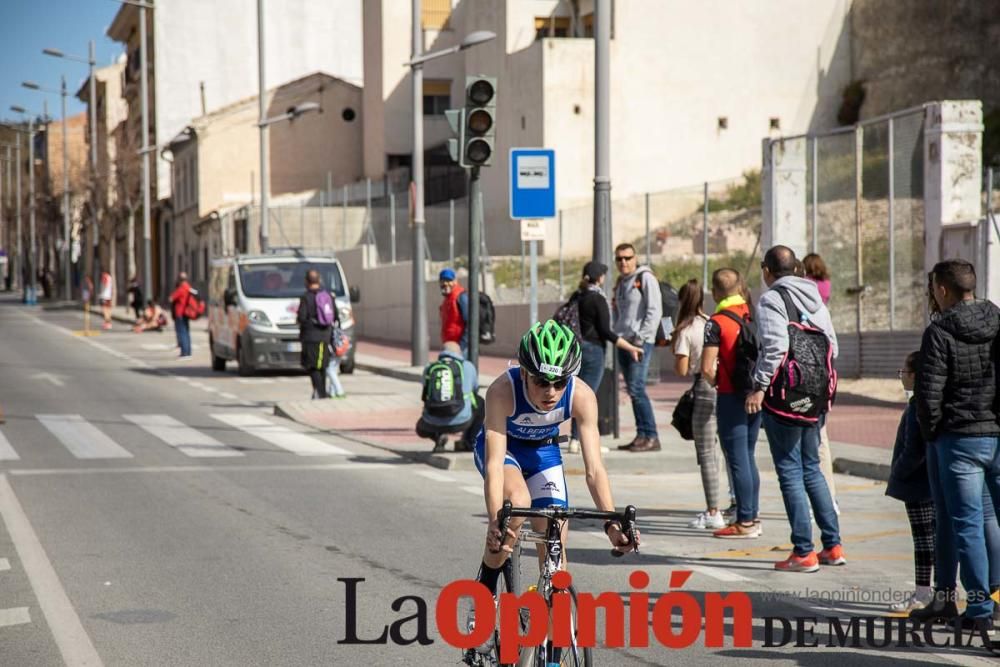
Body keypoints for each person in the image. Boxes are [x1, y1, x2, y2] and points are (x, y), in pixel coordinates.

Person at [472, 320, 637, 605]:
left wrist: (611, 523)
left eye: (559, 383)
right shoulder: (502, 391)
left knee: (555, 541)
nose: (551, 392)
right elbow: (495, 465)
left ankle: (552, 630)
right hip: (504, 449)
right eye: (541, 382)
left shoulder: (582, 396)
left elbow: (594, 469)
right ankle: (486, 585)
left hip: (543, 452)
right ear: (524, 373)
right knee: (517, 504)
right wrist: (494, 520)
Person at [914, 259, 1000, 630]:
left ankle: (978, 609)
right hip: (995, 434)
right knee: (991, 521)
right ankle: (993, 598)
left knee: (962, 526)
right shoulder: (998, 321)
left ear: (943, 290)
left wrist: (932, 432)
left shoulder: (939, 331)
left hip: (957, 439)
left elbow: (928, 393)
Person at [747, 245, 843, 571]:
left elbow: (775, 346)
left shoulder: (772, 299)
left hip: (785, 397)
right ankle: (832, 544)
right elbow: (833, 347)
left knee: (789, 470)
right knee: (811, 466)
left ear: (766, 271)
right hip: (817, 395)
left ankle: (803, 551)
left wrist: (759, 386)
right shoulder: (816, 298)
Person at [702, 268, 762, 539]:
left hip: (730, 397)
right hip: (754, 394)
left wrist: (717, 382)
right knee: (748, 457)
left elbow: (706, 368)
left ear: (714, 292)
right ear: (739, 286)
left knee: (737, 460)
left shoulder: (716, 322)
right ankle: (753, 515)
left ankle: (746, 521)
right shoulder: (752, 313)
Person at [569, 261, 643, 448]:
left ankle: (574, 439)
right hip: (594, 350)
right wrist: (630, 347)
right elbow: (606, 332)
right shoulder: (597, 299)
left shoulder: (577, 296)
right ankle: (587, 442)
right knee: (588, 397)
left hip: (576, 349)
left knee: (575, 394)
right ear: (600, 277)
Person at [672, 279, 725, 530]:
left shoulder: (686, 329)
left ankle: (713, 510)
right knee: (719, 450)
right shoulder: (711, 322)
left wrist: (675, 347)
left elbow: (682, 370)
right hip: (722, 386)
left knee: (705, 453)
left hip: (703, 387)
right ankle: (733, 505)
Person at [885, 351, 936, 613]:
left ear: (915, 375)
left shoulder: (917, 406)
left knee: (924, 541)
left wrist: (897, 473)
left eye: (904, 372)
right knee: (934, 540)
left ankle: (923, 593)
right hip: (928, 483)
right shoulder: (925, 403)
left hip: (918, 485)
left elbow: (913, 451)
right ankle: (935, 591)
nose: (901, 376)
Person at [612, 243, 663, 452]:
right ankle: (641, 435)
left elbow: (654, 310)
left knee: (637, 388)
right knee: (633, 390)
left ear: (635, 258)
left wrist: (641, 339)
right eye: (619, 259)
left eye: (628, 257)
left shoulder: (646, 278)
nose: (624, 262)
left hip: (639, 343)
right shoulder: (622, 282)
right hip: (623, 341)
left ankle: (651, 436)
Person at [803, 252, 838, 510]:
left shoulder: (806, 291)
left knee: (812, 443)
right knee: (821, 438)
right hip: (825, 368)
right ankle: (830, 497)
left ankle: (820, 500)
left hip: (808, 368)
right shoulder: (824, 287)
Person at [416, 342, 483, 453]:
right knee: (480, 403)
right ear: (459, 352)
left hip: (431, 423)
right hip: (460, 422)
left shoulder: (429, 367)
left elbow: (425, 393)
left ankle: (438, 437)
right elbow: (475, 389)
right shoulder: (467, 366)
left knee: (421, 428)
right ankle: (470, 442)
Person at [297, 269, 333, 399]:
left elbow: (302, 317)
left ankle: (321, 393)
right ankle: (320, 393)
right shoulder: (328, 296)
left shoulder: (306, 297)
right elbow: (335, 317)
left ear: (306, 281)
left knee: (312, 367)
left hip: (311, 337)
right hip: (325, 336)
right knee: (322, 366)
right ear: (319, 280)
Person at [439, 268, 469, 357]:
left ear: (455, 281)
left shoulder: (461, 296)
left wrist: (462, 345)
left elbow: (470, 322)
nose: (445, 283)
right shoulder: (447, 299)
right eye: (443, 281)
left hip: (460, 347)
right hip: (450, 346)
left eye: (449, 280)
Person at [168, 272, 193, 359]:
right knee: (186, 332)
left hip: (180, 313)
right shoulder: (188, 287)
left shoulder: (182, 288)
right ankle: (188, 352)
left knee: (182, 333)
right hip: (186, 313)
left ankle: (184, 353)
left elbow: (171, 298)